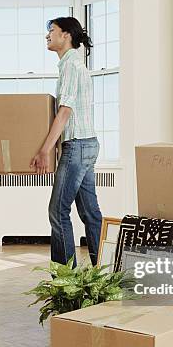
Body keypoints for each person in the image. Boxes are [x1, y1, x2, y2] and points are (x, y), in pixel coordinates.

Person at [31, 18, 102, 267]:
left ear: (66, 35)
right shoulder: (71, 65)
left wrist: (44, 150)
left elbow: (64, 112)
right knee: (90, 213)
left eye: (51, 31)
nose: (47, 35)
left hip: (78, 146)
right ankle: (102, 271)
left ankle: (65, 276)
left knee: (58, 211)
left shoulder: (71, 65)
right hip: (87, 143)